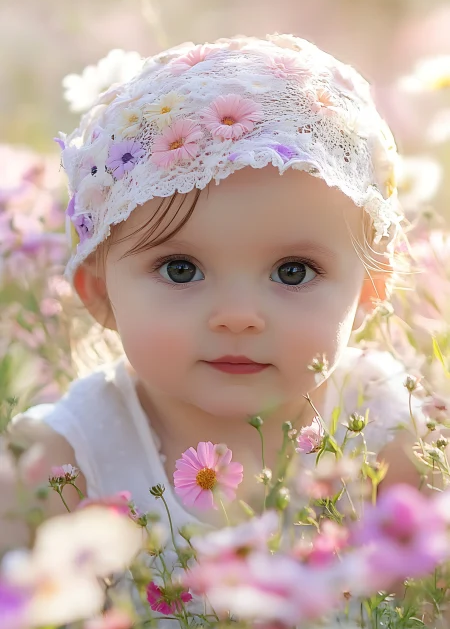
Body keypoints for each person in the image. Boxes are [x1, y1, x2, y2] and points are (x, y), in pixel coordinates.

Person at [6, 33, 425, 549]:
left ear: (368, 291)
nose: (238, 315)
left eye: (293, 271)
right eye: (181, 269)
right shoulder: (65, 459)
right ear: (99, 292)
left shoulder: (388, 431)